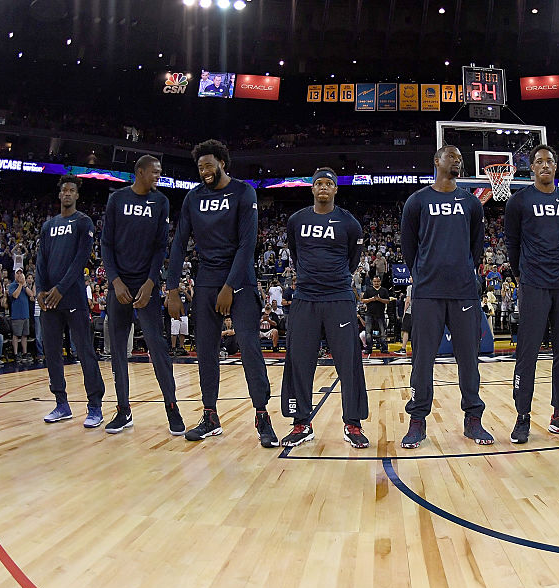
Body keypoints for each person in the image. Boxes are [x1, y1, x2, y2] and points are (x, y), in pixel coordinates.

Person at [166, 139, 276, 445]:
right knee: (205, 352)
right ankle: (210, 416)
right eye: (200, 167)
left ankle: (262, 416)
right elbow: (178, 244)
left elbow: (247, 244)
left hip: (239, 280)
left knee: (250, 348)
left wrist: (229, 286)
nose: (204, 171)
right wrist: (172, 287)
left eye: (209, 165)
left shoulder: (243, 192)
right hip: (205, 281)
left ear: (222, 164)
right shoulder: (192, 198)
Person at [399, 145, 492, 448]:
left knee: (469, 360)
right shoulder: (417, 201)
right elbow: (409, 246)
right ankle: (417, 420)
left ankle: (473, 420)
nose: (458, 161)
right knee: (422, 360)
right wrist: (423, 274)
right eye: (452, 157)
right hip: (428, 292)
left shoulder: (471, 203)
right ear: (437, 160)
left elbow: (476, 246)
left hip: (464, 291)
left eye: (461, 158)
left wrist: (466, 272)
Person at [279, 168, 370, 448]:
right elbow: (295, 252)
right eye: (318, 183)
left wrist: (336, 279)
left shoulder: (349, 222)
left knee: (349, 362)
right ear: (312, 188)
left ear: (335, 190)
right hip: (305, 298)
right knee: (299, 361)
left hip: (339, 299)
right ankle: (301, 423)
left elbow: (352, 259)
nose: (323, 187)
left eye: (328, 184)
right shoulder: (297, 220)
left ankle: (352, 424)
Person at [504, 144, 559, 444]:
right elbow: (512, 243)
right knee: (527, 354)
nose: (544, 166)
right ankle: (522, 416)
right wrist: (519, 275)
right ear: (532, 167)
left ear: (556, 165)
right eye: (539, 161)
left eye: (549, 161)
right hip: (534, 285)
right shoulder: (519, 201)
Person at [100, 155, 183, 436]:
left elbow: (161, 247)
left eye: (160, 171)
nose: (158, 176)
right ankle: (123, 410)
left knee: (157, 348)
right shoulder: (117, 200)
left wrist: (150, 284)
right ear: (140, 172)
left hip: (146, 284)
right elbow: (106, 244)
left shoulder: (161, 202)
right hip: (119, 285)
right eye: (155, 172)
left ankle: (172, 407)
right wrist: (115, 282)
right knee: (118, 350)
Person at [37, 176, 107, 428]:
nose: (67, 193)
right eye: (64, 190)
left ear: (77, 195)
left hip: (74, 296)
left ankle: (95, 406)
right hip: (50, 300)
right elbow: (41, 261)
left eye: (71, 190)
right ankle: (61, 404)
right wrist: (41, 290)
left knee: (84, 350)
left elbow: (80, 260)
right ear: (59, 195)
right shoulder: (48, 226)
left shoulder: (83, 222)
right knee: (52, 352)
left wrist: (60, 288)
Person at [360, 275, 392, 353]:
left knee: (383, 332)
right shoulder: (368, 290)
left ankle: (384, 348)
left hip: (380, 314)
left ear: (380, 282)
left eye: (378, 281)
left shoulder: (384, 290)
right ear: (372, 282)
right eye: (375, 281)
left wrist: (379, 299)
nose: (376, 283)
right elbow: (363, 300)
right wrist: (371, 299)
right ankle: (368, 348)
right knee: (368, 332)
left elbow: (388, 301)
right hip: (369, 314)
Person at [7, 269, 32, 363]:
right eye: (17, 273)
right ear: (14, 275)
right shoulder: (12, 285)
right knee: (16, 335)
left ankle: (25, 353)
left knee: (25, 335)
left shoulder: (25, 286)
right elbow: (15, 295)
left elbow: (31, 295)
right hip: (16, 315)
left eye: (21, 273)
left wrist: (24, 285)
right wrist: (20, 285)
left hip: (25, 314)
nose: (19, 275)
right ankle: (16, 354)